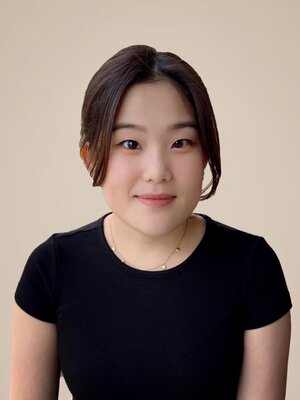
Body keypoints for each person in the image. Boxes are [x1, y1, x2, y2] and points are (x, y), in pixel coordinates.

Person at [10, 45, 292, 400]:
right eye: (130, 143)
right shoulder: (51, 268)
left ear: (205, 153)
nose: (157, 171)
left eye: (181, 142)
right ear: (90, 156)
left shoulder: (253, 267)